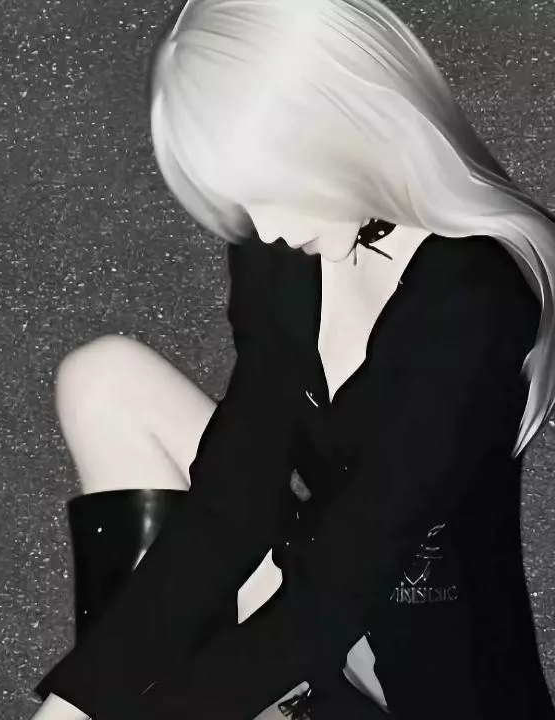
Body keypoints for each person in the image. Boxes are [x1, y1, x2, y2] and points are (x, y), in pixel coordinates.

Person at [29, 0, 555, 718]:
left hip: (411, 684)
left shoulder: (477, 301)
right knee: (103, 382)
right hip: (313, 630)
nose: (268, 229)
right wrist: (75, 705)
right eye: (246, 200)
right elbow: (233, 501)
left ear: (344, 129)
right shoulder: (282, 257)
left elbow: (342, 590)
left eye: (276, 189)